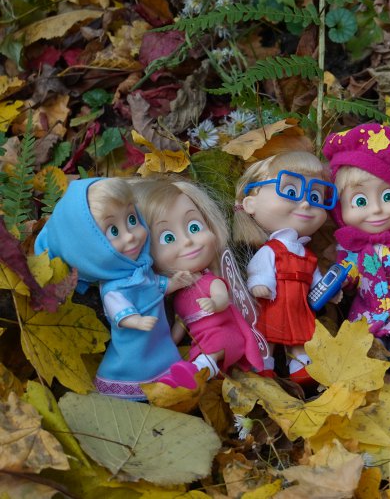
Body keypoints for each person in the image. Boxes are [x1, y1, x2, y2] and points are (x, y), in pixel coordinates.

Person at [34, 178, 201, 400]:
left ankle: (169, 379)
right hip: (135, 342)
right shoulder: (115, 286)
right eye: (113, 231)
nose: (130, 235)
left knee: (162, 356)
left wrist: (175, 283)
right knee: (138, 362)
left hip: (158, 336)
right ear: (90, 248)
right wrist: (135, 320)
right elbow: (117, 309)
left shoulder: (141, 270)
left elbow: (155, 286)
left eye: (132, 219)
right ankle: (131, 385)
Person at [132, 178, 264, 376]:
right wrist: (169, 344)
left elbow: (222, 298)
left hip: (225, 333)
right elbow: (181, 324)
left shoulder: (210, 281)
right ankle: (192, 373)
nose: (187, 241)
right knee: (197, 354)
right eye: (168, 238)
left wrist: (214, 304)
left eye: (194, 227)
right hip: (200, 340)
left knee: (213, 347)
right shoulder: (177, 295)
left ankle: (199, 371)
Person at [322, 123, 390, 365]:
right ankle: (377, 347)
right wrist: (341, 282)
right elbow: (349, 273)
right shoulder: (351, 249)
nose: (377, 210)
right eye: (360, 201)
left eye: (388, 196)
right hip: (366, 308)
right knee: (367, 343)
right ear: (339, 209)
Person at [233, 151, 335, 383]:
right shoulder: (271, 249)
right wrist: (260, 283)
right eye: (290, 192)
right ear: (250, 203)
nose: (306, 203)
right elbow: (260, 268)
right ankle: (264, 364)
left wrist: (329, 291)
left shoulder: (307, 253)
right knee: (268, 331)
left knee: (301, 334)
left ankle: (301, 366)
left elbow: (316, 279)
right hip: (274, 301)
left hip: (299, 303)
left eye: (316, 196)